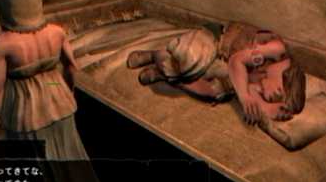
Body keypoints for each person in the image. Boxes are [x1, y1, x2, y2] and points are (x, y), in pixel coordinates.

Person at [0, 0, 99, 182]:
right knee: (68, 155)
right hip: (59, 99)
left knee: (39, 169)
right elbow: (71, 67)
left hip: (25, 113)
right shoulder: (57, 32)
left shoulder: (3, 45)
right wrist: (66, 93)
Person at [127, 21, 306, 125]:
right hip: (216, 40)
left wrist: (265, 108)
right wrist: (245, 97)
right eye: (275, 96)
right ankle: (154, 55)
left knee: (218, 91)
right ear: (283, 84)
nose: (267, 97)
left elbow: (250, 92)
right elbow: (237, 60)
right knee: (191, 61)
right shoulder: (276, 50)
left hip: (221, 63)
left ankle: (167, 76)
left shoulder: (265, 79)